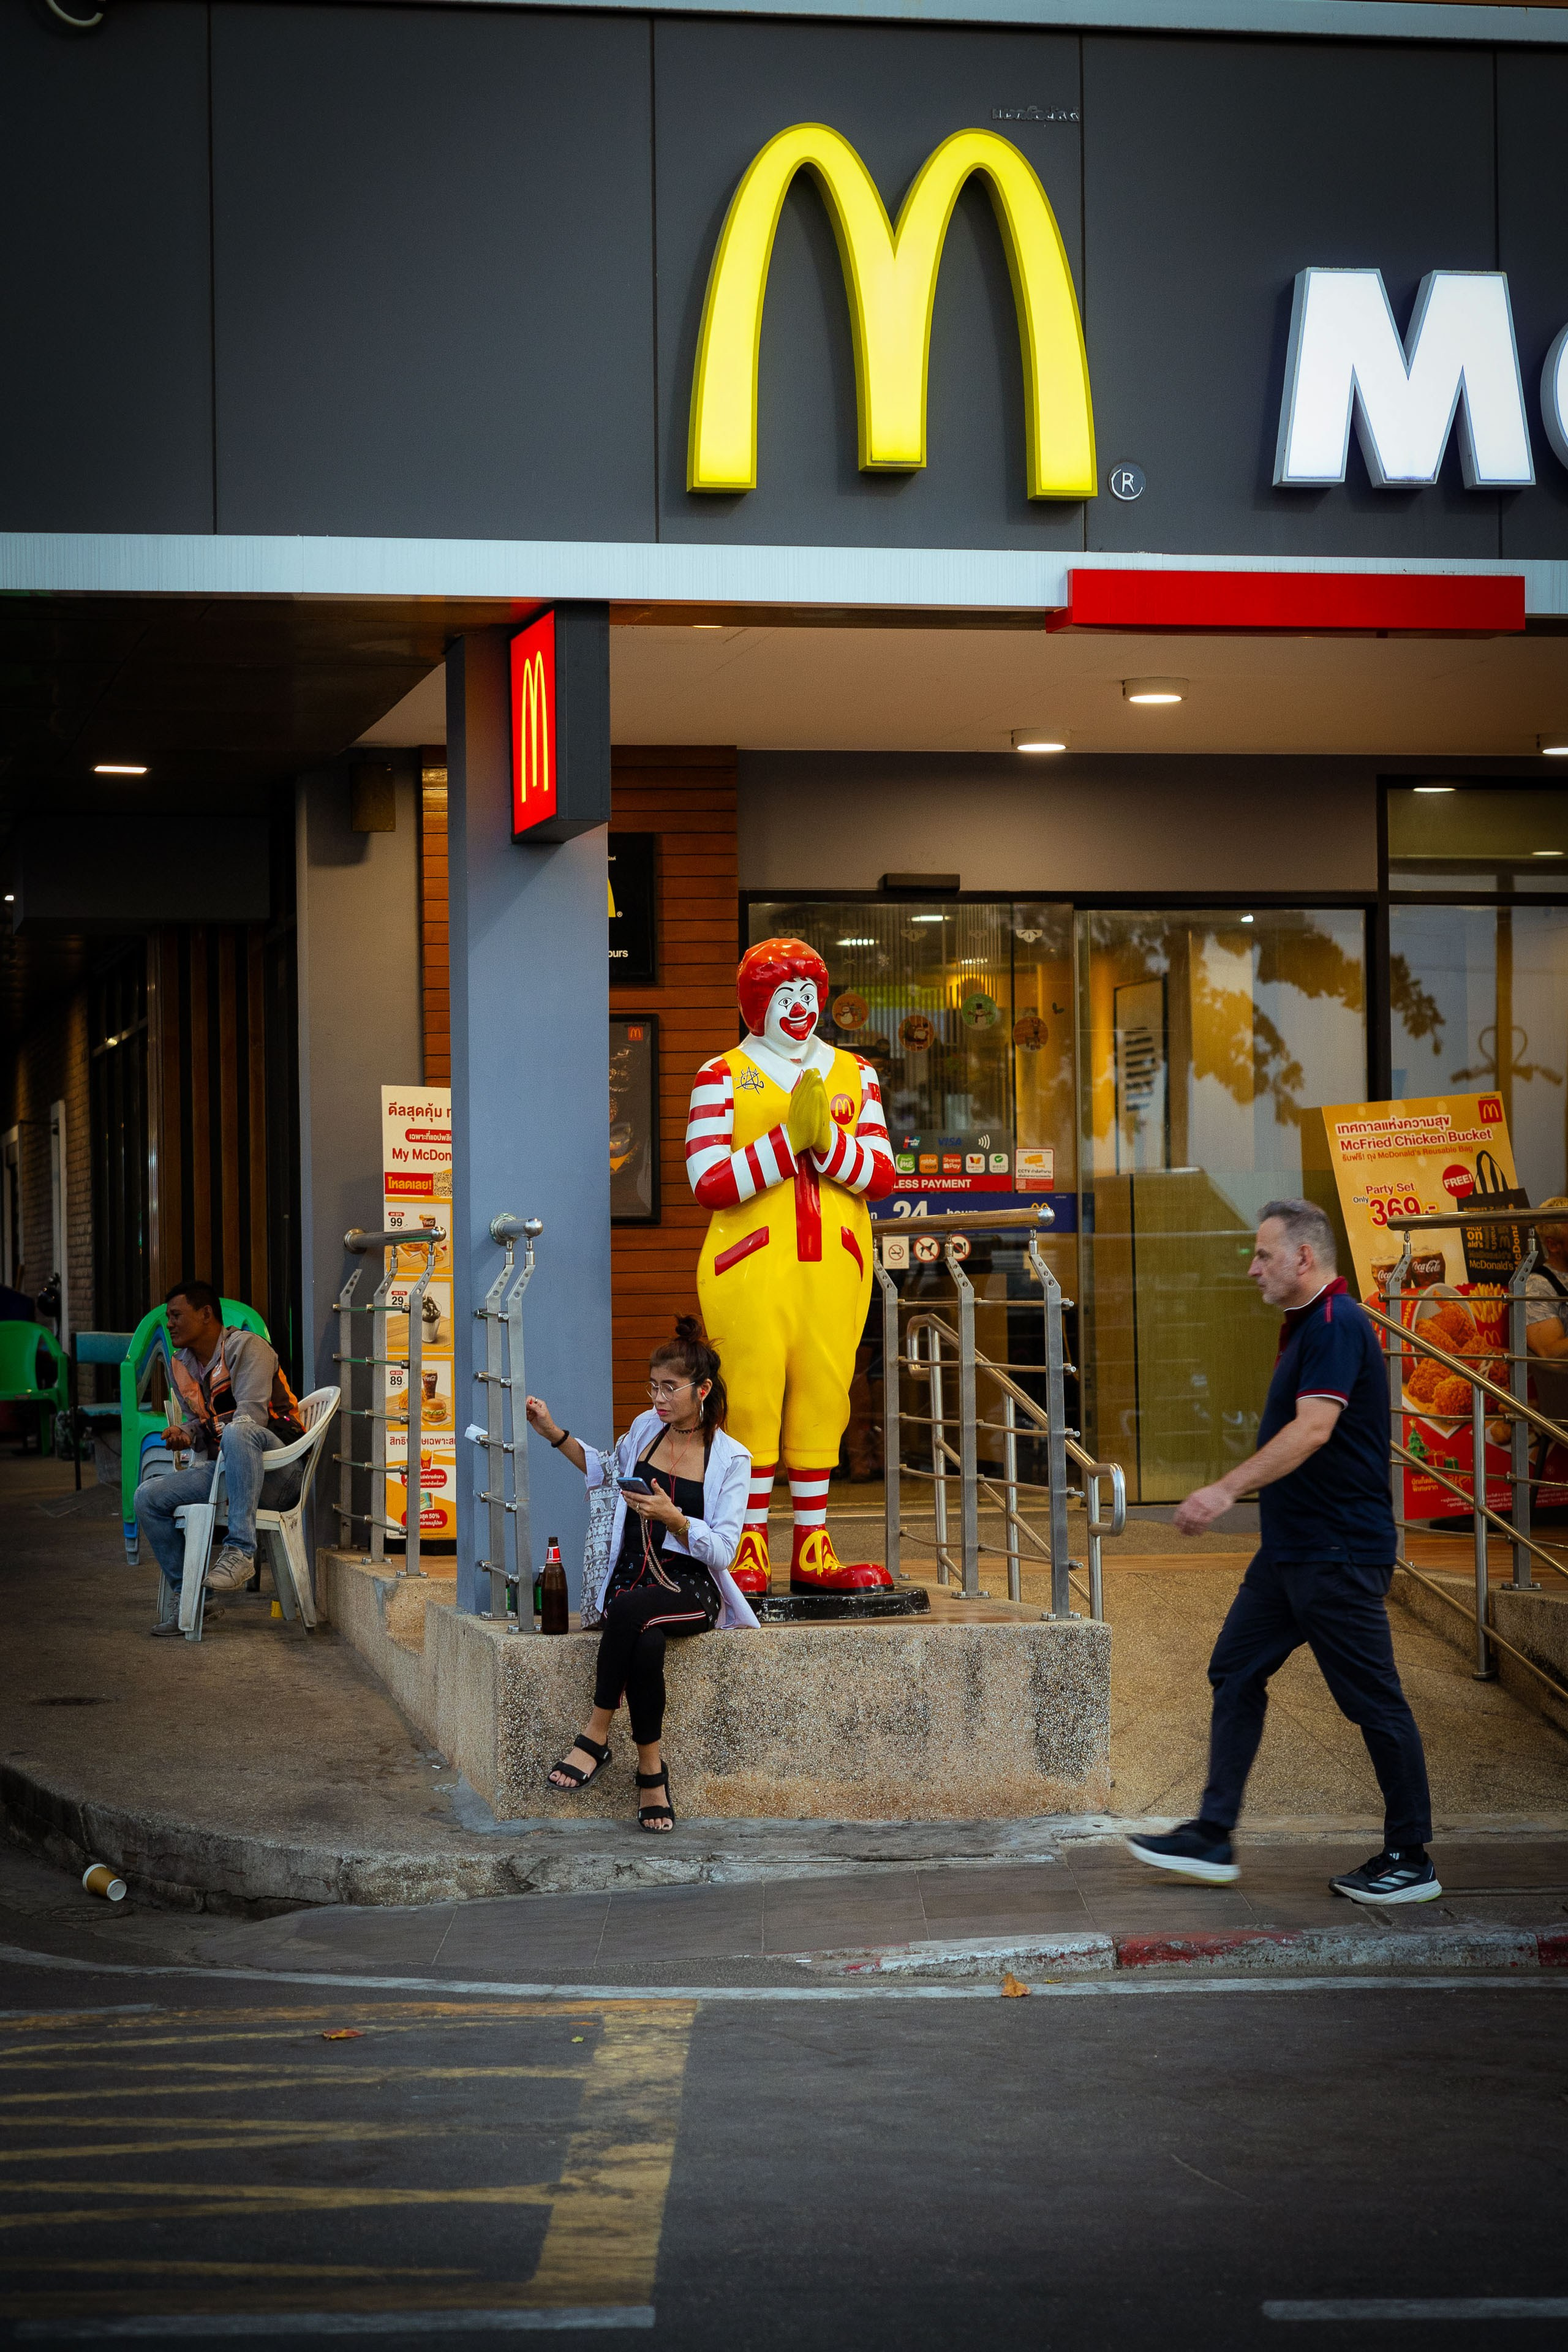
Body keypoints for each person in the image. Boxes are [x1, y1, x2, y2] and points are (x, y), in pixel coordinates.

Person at [1127, 1199, 1441, 1906]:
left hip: (1337, 1550)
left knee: (1372, 1702)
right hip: (1291, 1552)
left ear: (1304, 1257)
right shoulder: (1307, 1326)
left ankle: (1410, 1856)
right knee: (1234, 1668)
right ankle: (1212, 1835)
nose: (1251, 1267)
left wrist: (1223, 1491)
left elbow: (1312, 1431)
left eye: (1263, 1254)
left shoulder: (1336, 1322)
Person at [684, 937, 897, 1597]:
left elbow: (882, 1173)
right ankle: (746, 1543)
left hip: (835, 1265)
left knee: (825, 1394)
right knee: (749, 1396)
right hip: (747, 1268)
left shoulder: (856, 1074)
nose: (799, 1007)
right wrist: (787, 1142)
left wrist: (826, 1141)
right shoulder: (719, 1074)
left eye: (808, 994)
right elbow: (707, 1180)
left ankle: (813, 1545)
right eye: (783, 995)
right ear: (755, 1003)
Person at [524, 1319, 756, 1833]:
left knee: (631, 1614)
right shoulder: (646, 1430)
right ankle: (651, 1772)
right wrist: (553, 1434)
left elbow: (724, 1551)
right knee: (644, 1642)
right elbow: (606, 1471)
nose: (659, 1398)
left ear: (703, 1390)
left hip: (688, 1586)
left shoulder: (732, 1458)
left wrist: (675, 1519)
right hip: (633, 1580)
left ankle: (595, 1736)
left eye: (669, 1388)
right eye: (653, 1386)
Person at [134, 1281, 305, 1632]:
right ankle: (193, 1597)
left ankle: (241, 1550)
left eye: (177, 1315)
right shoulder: (182, 1364)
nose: (170, 1324)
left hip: (280, 1474)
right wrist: (188, 1433)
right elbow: (202, 1422)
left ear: (206, 1314)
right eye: (169, 1318)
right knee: (147, 1497)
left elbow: (251, 1420)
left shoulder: (247, 1348)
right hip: (227, 1473)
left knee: (240, 1430)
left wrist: (202, 1429)